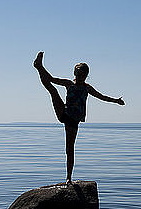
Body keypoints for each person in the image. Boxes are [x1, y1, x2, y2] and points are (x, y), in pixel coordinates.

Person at [33, 51, 125, 183]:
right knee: (52, 90)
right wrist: (42, 69)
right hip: (63, 113)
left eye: (83, 75)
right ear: (74, 73)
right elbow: (51, 79)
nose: (80, 77)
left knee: (70, 149)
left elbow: (101, 97)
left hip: (73, 121)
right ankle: (38, 66)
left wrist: (116, 101)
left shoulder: (87, 88)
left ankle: (69, 177)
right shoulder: (68, 84)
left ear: (87, 75)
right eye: (78, 74)